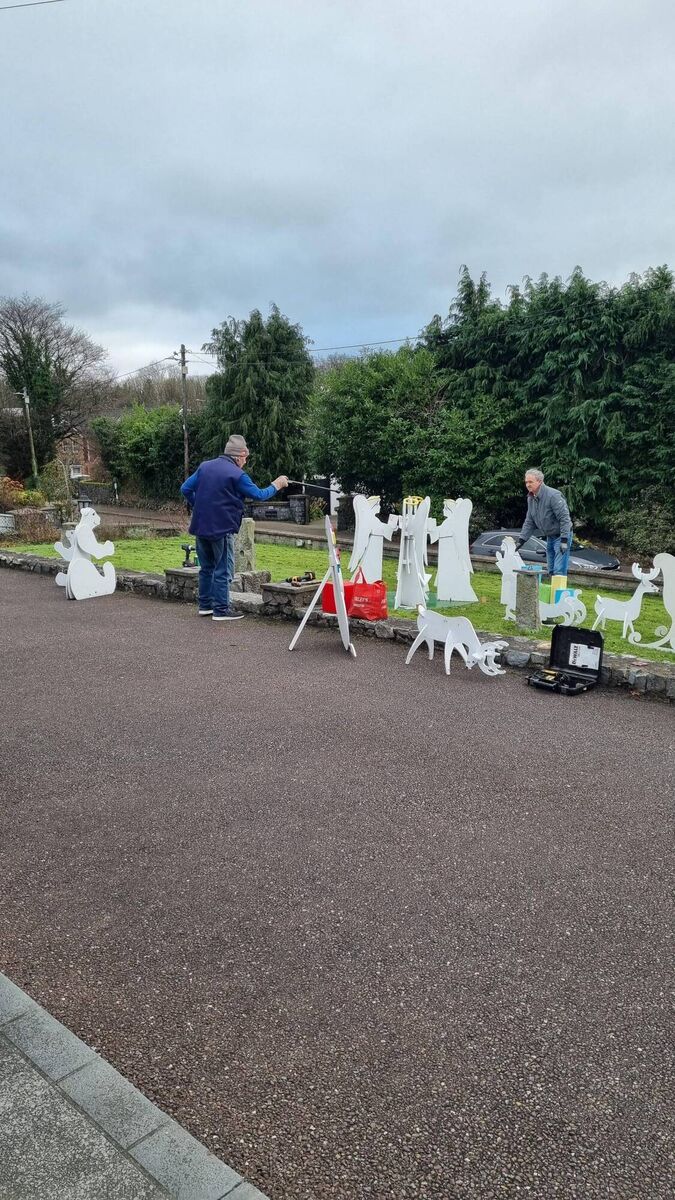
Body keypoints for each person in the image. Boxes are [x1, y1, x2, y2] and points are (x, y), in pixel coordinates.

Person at [181, 435, 288, 621]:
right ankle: (221, 610)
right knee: (223, 568)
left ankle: (205, 606)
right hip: (222, 528)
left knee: (206, 567)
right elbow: (259, 495)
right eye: (245, 458)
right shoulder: (237, 474)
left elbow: (185, 488)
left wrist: (199, 506)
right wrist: (277, 484)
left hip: (200, 525)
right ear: (239, 456)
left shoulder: (205, 466)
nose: (245, 462)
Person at [515, 468, 573, 577]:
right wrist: (521, 540)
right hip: (550, 536)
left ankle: (559, 593)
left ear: (540, 481)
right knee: (550, 570)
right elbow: (529, 521)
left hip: (561, 536)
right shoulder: (531, 498)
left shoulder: (553, 495)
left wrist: (564, 540)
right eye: (526, 482)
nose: (527, 485)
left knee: (558, 571)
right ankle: (552, 593)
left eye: (530, 482)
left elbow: (565, 518)